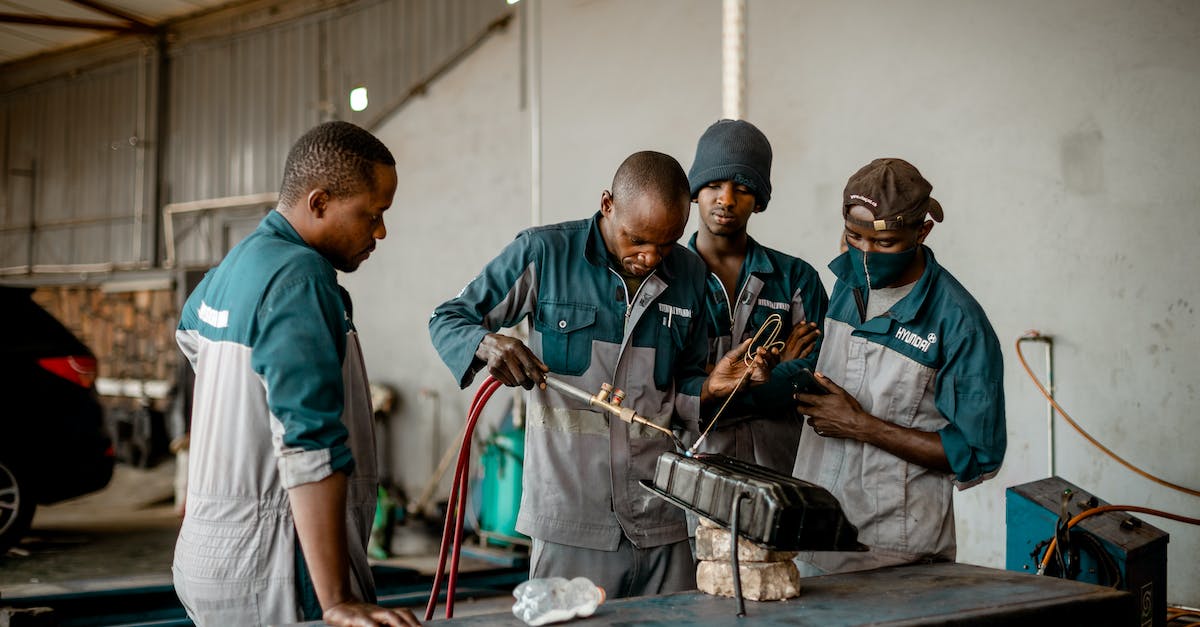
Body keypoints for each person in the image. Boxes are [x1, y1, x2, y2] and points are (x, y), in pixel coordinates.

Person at [428, 151, 775, 599]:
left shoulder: (689, 274)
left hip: (661, 517)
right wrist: (486, 343)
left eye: (666, 244)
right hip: (572, 520)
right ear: (607, 204)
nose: (649, 257)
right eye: (637, 239)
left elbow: (682, 384)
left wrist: (710, 387)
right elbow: (449, 318)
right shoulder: (545, 254)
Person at [174, 121, 419, 626]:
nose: (380, 232)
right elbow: (310, 443)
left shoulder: (236, 266)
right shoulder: (298, 278)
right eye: (371, 214)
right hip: (281, 565)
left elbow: (189, 337)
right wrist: (336, 601)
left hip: (214, 548)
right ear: (319, 201)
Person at [791, 157, 1006, 574]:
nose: (867, 256)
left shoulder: (958, 323)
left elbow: (979, 453)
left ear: (922, 231)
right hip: (814, 534)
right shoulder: (844, 286)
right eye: (855, 238)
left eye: (885, 243)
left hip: (896, 553)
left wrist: (861, 425)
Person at [685, 119, 828, 473]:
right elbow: (662, 380)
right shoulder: (668, 279)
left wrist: (712, 384)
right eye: (713, 184)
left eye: (743, 188)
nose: (727, 199)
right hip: (692, 473)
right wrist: (777, 370)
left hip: (778, 472)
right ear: (693, 192)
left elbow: (820, 375)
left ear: (760, 202)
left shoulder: (796, 278)